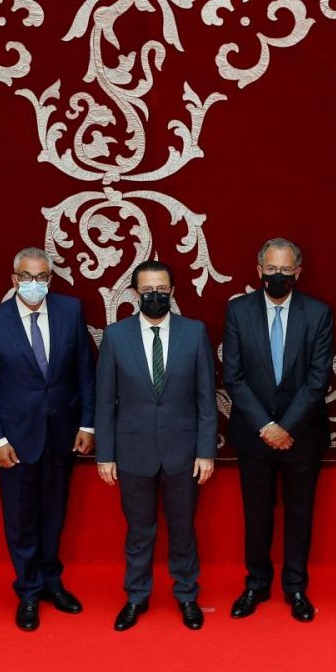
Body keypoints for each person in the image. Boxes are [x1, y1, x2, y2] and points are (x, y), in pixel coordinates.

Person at [0, 248, 96, 631]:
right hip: (15, 440)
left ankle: (52, 583)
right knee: (21, 517)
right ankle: (28, 590)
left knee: (54, 513)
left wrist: (87, 425)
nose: (34, 284)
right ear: (14, 279)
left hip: (63, 433)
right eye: (27, 277)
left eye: (42, 277)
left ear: (50, 280)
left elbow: (85, 372)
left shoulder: (70, 310)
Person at [95, 261, 217, 632]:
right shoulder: (116, 336)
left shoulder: (194, 332)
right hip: (133, 451)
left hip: (184, 450)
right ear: (135, 293)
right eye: (147, 290)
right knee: (139, 531)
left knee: (183, 529)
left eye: (161, 290)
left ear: (172, 292)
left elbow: (206, 398)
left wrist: (206, 451)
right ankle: (136, 596)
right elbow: (105, 400)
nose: (155, 296)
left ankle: (187, 595)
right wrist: (105, 454)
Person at [223, 237, 334, 622]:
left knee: (300, 514)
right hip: (254, 433)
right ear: (259, 271)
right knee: (257, 513)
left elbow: (318, 379)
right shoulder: (238, 311)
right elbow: (234, 377)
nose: (277, 276)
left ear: (297, 273)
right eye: (271, 269)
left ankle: (295, 586)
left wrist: (286, 427)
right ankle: (256, 584)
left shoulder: (318, 313)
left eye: (285, 270)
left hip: (302, 434)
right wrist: (267, 426)